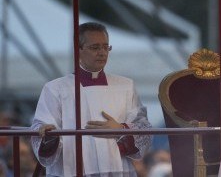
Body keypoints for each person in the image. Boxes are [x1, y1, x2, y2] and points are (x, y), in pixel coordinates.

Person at [31, 22, 152, 176]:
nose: (102, 52)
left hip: (116, 169)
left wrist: (121, 129)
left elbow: (145, 130)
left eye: (106, 47)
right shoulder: (55, 89)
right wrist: (49, 135)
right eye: (95, 47)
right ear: (78, 50)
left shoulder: (126, 86)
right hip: (72, 169)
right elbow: (41, 130)